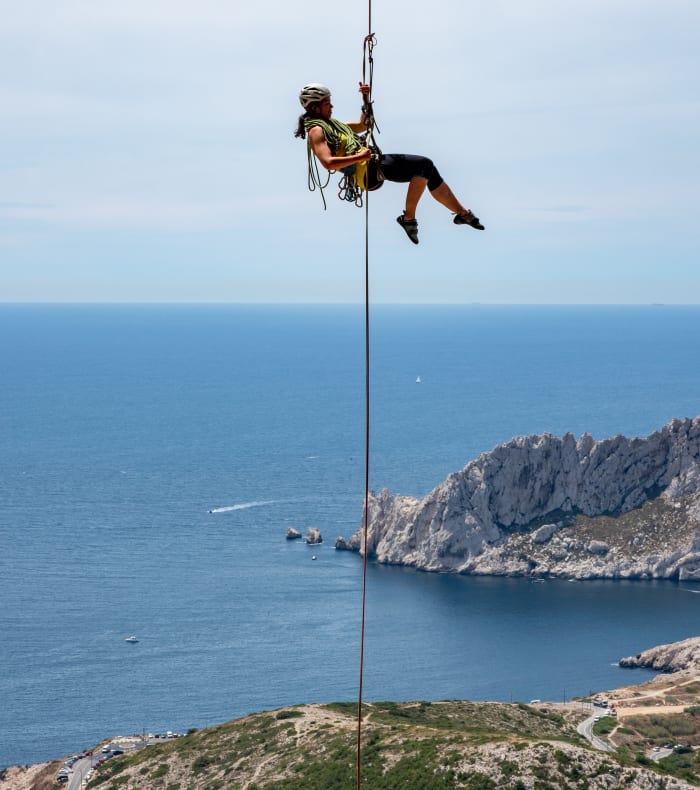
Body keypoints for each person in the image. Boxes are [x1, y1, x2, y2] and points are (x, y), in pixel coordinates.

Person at [295, 82, 484, 244]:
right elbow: (328, 162)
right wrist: (359, 157)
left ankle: (462, 213)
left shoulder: (335, 125)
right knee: (424, 164)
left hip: (370, 165)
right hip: (366, 170)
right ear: (314, 108)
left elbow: (364, 125)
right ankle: (408, 219)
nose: (332, 106)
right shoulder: (316, 131)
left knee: (429, 170)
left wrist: (365, 98)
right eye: (327, 103)